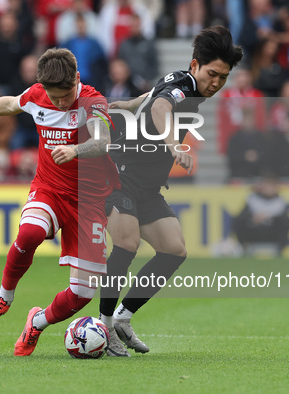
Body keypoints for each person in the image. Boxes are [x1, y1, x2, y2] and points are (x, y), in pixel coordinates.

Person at [0, 48, 118, 357]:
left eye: (65, 95)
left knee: (82, 293)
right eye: (54, 97)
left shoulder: (93, 102)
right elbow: (11, 104)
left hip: (89, 201)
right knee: (29, 233)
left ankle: (37, 322)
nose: (59, 102)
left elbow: (102, 141)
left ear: (77, 79)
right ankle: (3, 297)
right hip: (49, 189)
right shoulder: (38, 94)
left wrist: (76, 151)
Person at [99, 26, 243, 357]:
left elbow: (147, 100)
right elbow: (160, 107)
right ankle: (104, 326)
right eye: (212, 74)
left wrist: (119, 105)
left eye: (223, 77)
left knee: (174, 249)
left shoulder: (182, 83)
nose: (216, 83)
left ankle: (122, 318)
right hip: (119, 177)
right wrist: (173, 143)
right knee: (127, 242)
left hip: (146, 187)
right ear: (195, 66)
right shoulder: (183, 88)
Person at [232, 177, 289, 256]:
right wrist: (253, 218)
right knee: (238, 221)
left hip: (272, 231)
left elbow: (285, 218)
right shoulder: (253, 199)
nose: (268, 189)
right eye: (266, 186)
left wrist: (270, 218)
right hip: (255, 230)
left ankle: (280, 248)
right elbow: (242, 216)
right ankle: (243, 247)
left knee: (285, 221)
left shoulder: (280, 201)